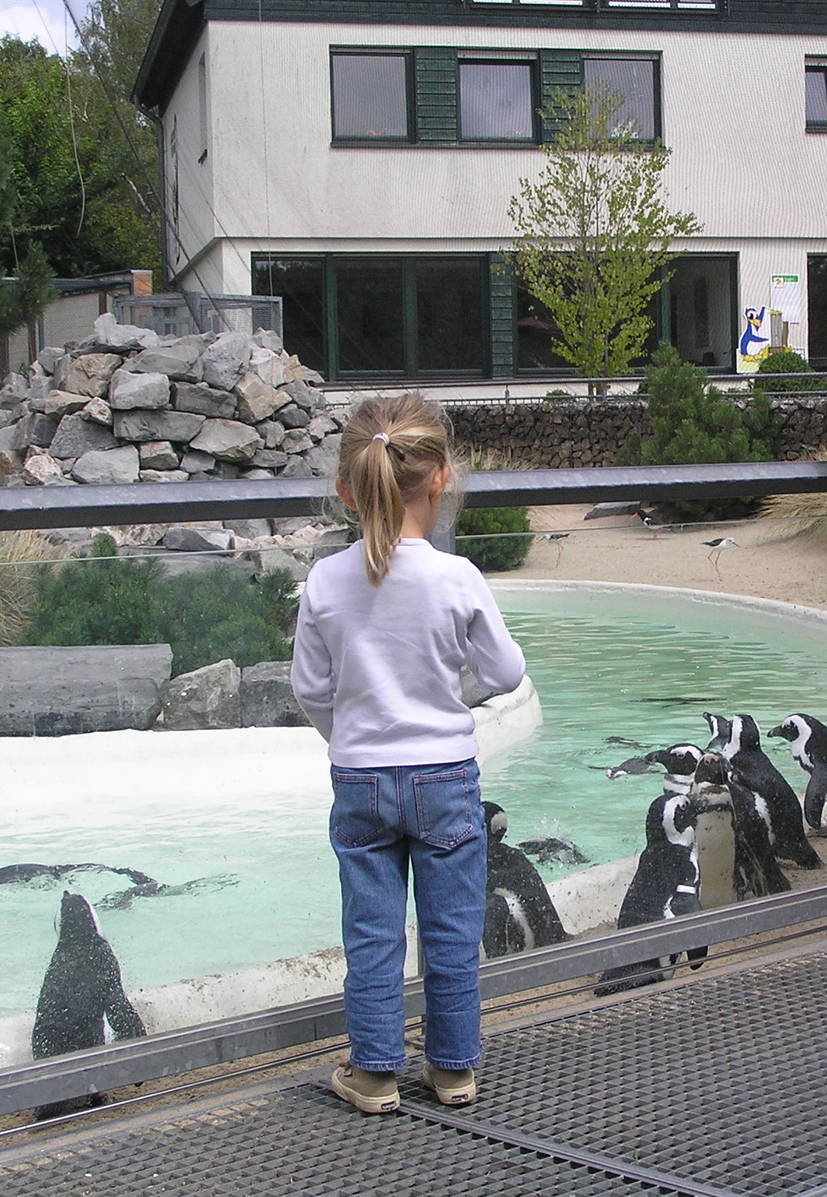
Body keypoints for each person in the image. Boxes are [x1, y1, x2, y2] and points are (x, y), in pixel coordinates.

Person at [291, 393, 527, 1114]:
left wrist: (350, 735)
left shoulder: (325, 581)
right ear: (441, 479)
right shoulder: (457, 578)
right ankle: (453, 1069)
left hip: (361, 779)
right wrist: (452, 690)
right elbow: (507, 673)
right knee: (453, 929)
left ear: (345, 490)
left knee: (372, 931)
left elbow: (309, 688)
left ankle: (374, 1073)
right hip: (446, 778)